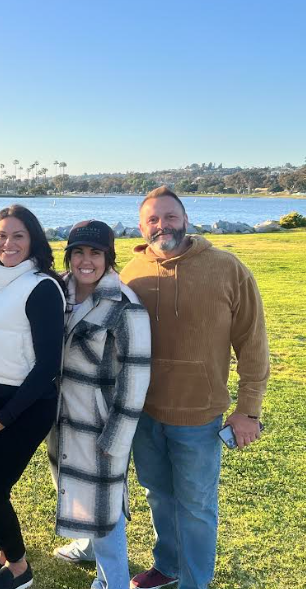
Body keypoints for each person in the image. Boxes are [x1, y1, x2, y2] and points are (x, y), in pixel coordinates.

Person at [121, 186, 269, 589]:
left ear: (186, 219)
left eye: (170, 216)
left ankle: (194, 582)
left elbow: (253, 344)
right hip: (143, 413)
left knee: (197, 505)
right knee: (157, 494)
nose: (162, 225)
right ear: (141, 226)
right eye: (153, 219)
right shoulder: (131, 273)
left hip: (199, 415)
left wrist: (248, 409)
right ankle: (168, 566)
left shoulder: (226, 268)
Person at [0, 205, 66, 589]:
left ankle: (19, 570)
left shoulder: (42, 287)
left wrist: (5, 417)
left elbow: (48, 364)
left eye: (18, 235)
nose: (9, 243)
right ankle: (5, 554)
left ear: (33, 239)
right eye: (1, 235)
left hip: (27, 406)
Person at [47, 220, 151, 589]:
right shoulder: (56, 291)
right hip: (59, 417)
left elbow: (136, 379)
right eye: (78, 252)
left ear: (109, 257)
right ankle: (87, 545)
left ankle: (113, 581)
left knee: (105, 506)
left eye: (95, 253)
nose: (85, 261)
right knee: (71, 484)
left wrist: (116, 438)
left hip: (100, 422)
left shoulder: (124, 305)